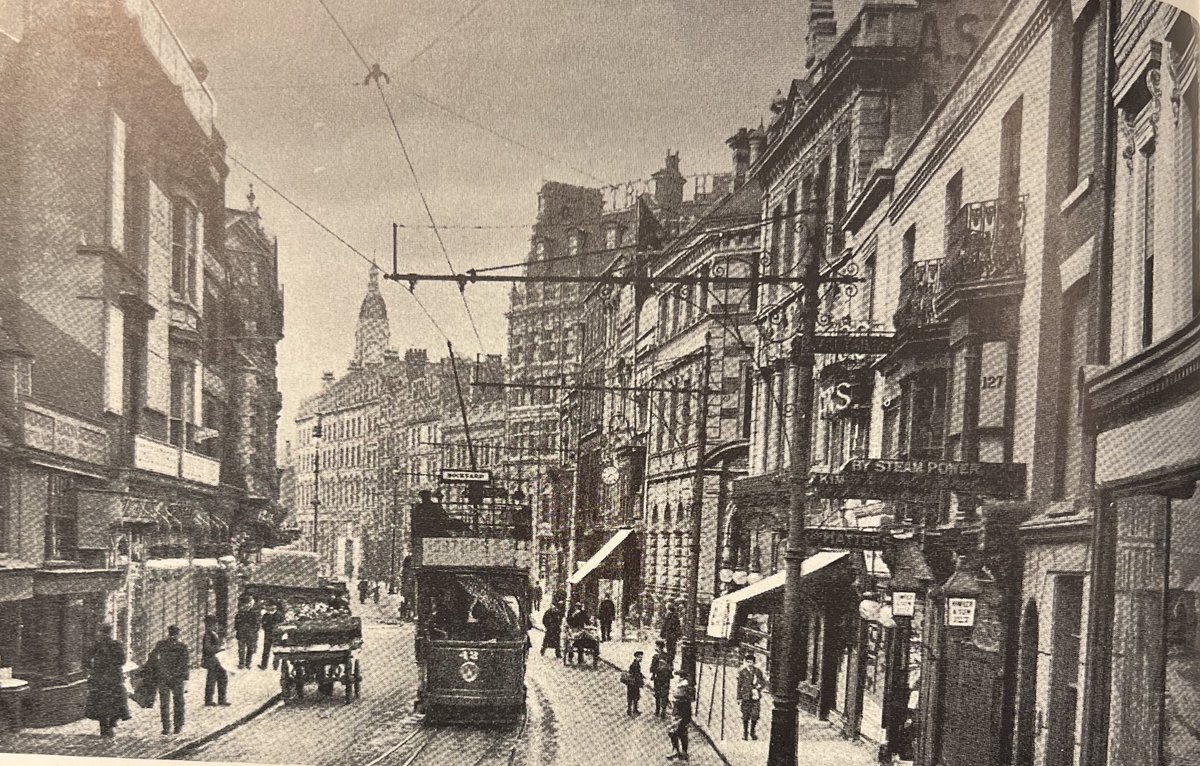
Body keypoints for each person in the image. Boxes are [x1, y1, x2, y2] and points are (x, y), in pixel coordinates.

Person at [84, 623, 130, 738]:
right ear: (110, 632)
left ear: (100, 632)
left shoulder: (96, 644)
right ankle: (112, 722)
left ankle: (104, 728)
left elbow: (86, 659)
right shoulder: (116, 644)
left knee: (100, 702)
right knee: (118, 700)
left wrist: (93, 668)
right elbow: (122, 660)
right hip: (114, 677)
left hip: (99, 677)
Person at [148, 625, 189, 735]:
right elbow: (185, 664)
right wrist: (184, 678)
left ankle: (166, 727)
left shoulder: (161, 644)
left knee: (164, 703)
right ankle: (178, 726)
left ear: (168, 633)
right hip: (177, 678)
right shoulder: (182, 646)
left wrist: (158, 669)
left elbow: (152, 656)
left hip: (163, 677)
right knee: (179, 701)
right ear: (178, 633)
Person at [736, 652, 766, 740]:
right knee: (745, 715)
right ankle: (745, 733)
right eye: (747, 662)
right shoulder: (742, 672)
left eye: (751, 662)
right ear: (745, 662)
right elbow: (739, 685)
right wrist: (739, 697)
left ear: (754, 663)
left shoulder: (757, 671)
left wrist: (759, 686)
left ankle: (752, 732)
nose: (749, 664)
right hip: (746, 696)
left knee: (755, 715)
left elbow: (763, 682)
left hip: (755, 696)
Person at [202, 615, 230, 706]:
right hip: (212, 661)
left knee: (223, 679)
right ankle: (208, 700)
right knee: (211, 680)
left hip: (218, 660)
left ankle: (222, 699)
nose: (216, 626)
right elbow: (207, 648)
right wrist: (220, 647)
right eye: (214, 624)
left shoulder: (214, 634)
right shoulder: (208, 635)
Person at [667, 672, 692, 761]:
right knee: (679, 732)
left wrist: (674, 699)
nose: (679, 678)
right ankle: (679, 751)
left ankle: (680, 751)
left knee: (676, 732)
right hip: (678, 713)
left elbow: (680, 698)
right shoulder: (681, 686)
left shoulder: (684, 687)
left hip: (682, 714)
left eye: (681, 676)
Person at [234, 597, 261, 669]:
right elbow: (236, 625)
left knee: (250, 649)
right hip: (242, 634)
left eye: (249, 604)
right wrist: (240, 629)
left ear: (250, 604)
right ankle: (241, 663)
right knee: (241, 649)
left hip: (251, 634)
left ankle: (248, 663)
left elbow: (257, 625)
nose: (247, 605)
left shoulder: (254, 613)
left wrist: (253, 631)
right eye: (245, 604)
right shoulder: (239, 613)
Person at [649, 639, 673, 718]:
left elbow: (652, 668)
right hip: (666, 677)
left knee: (657, 693)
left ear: (658, 646)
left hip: (658, 677)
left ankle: (657, 710)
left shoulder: (656, 656)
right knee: (665, 693)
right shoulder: (668, 656)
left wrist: (653, 675)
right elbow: (671, 667)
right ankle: (663, 710)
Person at [259, 601, 284, 670]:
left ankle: (276, 665)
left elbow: (282, 624)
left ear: (275, 606)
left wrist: (278, 631)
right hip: (268, 634)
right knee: (266, 650)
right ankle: (264, 665)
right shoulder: (265, 615)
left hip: (277, 635)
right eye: (268, 606)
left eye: (271, 606)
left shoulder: (279, 615)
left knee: (277, 650)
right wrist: (267, 629)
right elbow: (263, 624)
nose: (269, 607)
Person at [624, 650, 645, 715]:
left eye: (641, 657)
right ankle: (632, 710)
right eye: (639, 657)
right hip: (634, 683)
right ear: (636, 657)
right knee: (634, 696)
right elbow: (635, 674)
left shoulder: (635, 664)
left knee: (632, 696)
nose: (641, 659)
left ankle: (631, 710)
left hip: (631, 683)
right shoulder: (635, 665)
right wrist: (641, 681)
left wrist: (642, 675)